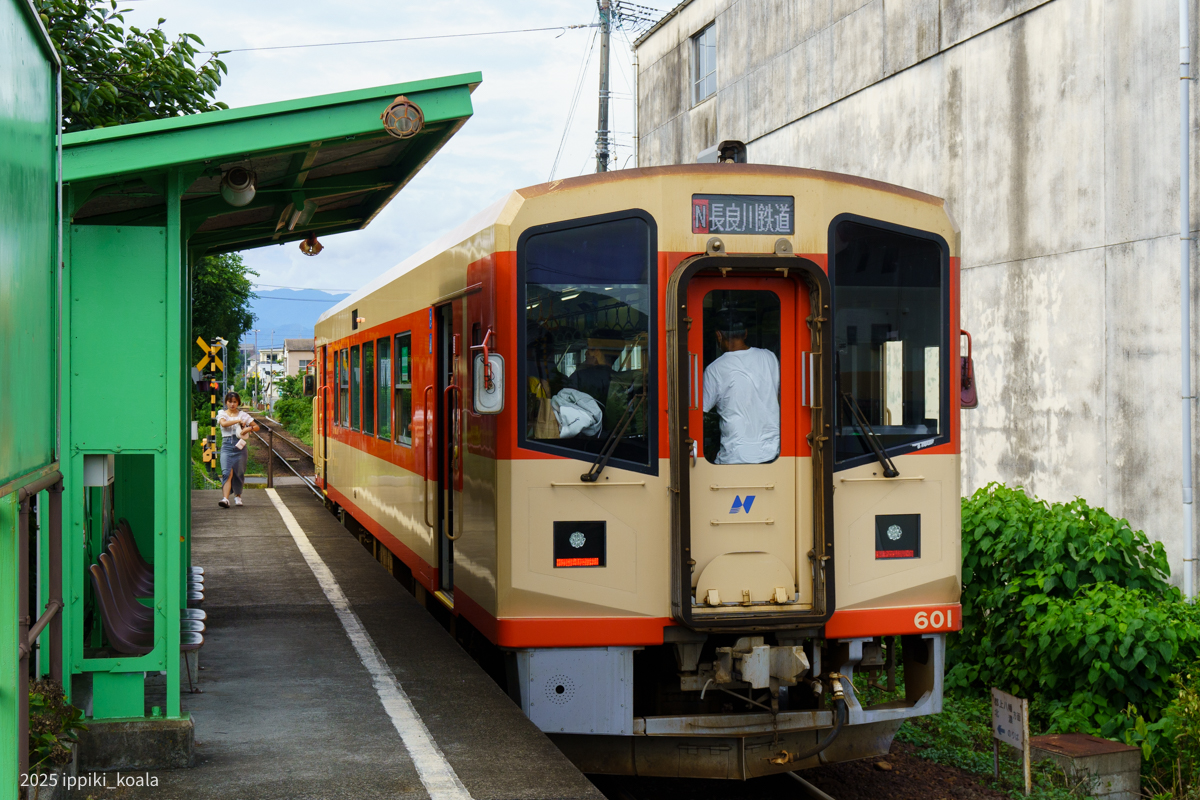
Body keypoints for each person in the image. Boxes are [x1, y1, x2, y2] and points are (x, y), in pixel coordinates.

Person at [702, 313, 781, 464]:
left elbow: (700, 412)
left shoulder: (715, 369)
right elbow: (779, 396)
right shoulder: (769, 357)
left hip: (735, 455)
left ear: (718, 336)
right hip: (773, 453)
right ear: (745, 333)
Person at [216, 392, 259, 507]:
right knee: (226, 472)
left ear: (238, 402)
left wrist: (248, 429)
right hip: (226, 445)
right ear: (226, 402)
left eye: (234, 402)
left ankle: (238, 495)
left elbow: (256, 426)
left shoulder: (243, 414)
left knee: (239, 472)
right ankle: (225, 499)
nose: (232, 404)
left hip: (240, 446)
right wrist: (237, 421)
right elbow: (224, 424)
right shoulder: (222, 413)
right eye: (230, 401)